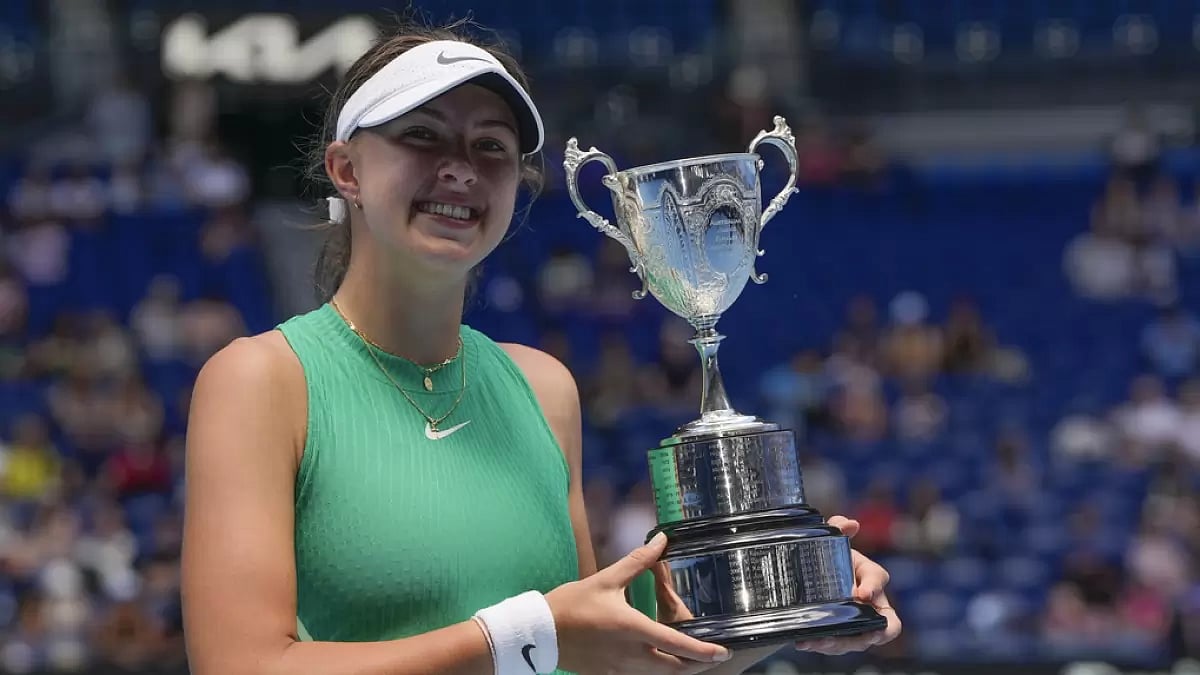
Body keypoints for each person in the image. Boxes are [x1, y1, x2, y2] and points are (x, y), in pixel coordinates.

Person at [180, 19, 901, 675]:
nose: (460, 166)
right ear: (346, 169)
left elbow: (590, 662)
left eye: (490, 146)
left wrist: (781, 595)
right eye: (422, 136)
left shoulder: (543, 386)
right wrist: (524, 631)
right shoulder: (260, 380)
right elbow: (241, 664)